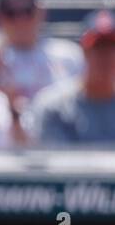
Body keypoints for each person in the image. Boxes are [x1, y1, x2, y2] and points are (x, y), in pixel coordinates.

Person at [0, 0, 83, 113]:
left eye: (27, 10)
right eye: (10, 12)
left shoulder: (70, 56)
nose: (20, 20)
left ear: (41, 11)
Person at [30, 9, 115, 143]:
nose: (105, 56)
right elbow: (54, 160)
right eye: (98, 48)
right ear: (84, 51)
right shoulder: (54, 107)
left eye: (111, 48)